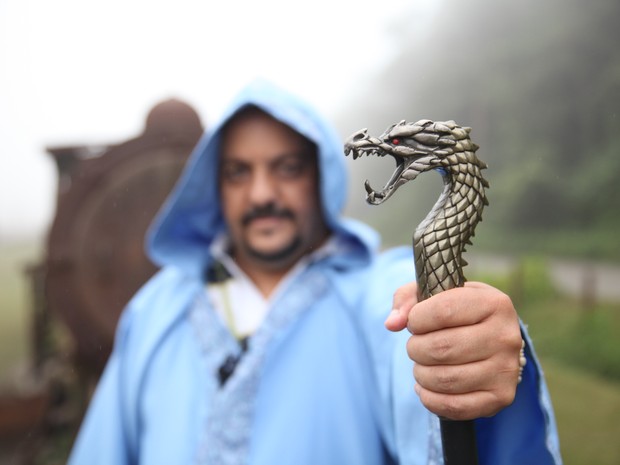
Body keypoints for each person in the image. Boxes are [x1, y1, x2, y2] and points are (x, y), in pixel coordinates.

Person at [68, 79, 562, 464]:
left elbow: (414, 342)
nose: (262, 194)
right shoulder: (156, 310)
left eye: (286, 168)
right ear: (214, 186)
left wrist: (469, 343)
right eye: (239, 171)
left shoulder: (371, 291)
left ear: (320, 176)